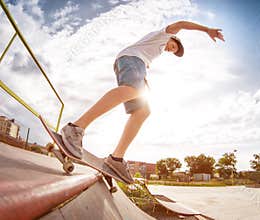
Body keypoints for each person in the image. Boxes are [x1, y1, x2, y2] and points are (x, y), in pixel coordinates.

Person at [60, 20, 225, 183]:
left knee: (143, 111)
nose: (170, 50)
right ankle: (75, 128)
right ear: (173, 38)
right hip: (131, 60)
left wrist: (145, 72)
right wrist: (207, 29)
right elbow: (181, 24)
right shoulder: (164, 34)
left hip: (136, 63)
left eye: (172, 51)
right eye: (173, 47)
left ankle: (116, 159)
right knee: (133, 90)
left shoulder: (155, 50)